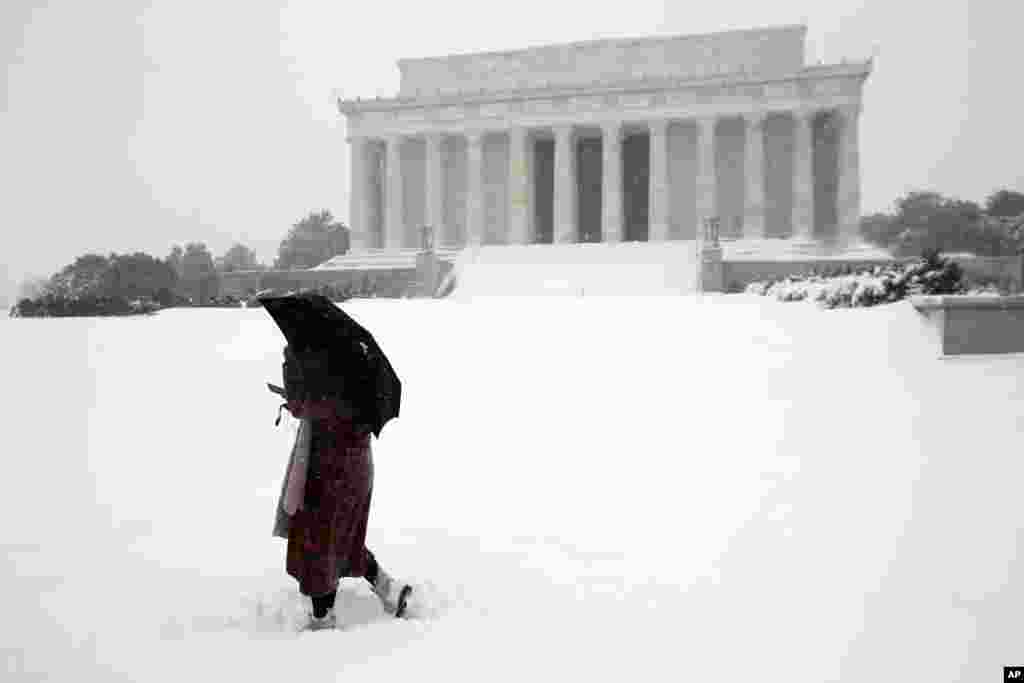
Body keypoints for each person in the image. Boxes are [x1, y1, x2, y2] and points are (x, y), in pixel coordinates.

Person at [272, 346, 412, 631]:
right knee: (343, 539)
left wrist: (291, 363)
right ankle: (389, 589)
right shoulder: (358, 373)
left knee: (322, 543)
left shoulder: (329, 378)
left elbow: (306, 405)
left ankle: (323, 619)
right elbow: (318, 406)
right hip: (356, 467)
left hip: (332, 472)